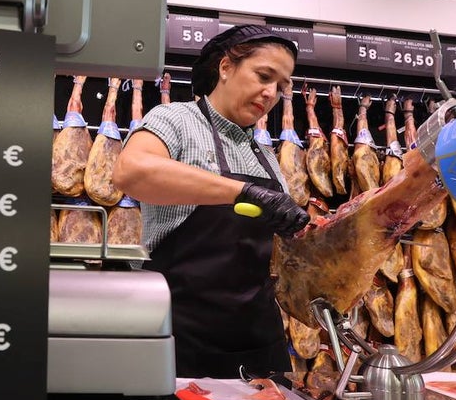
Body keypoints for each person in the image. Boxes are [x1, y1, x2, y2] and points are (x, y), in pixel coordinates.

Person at [112, 25, 310, 378]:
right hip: (180, 334)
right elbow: (131, 171)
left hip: (256, 339)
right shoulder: (175, 119)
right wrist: (242, 191)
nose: (271, 93)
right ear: (226, 67)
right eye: (264, 76)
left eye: (281, 87)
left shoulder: (265, 154)